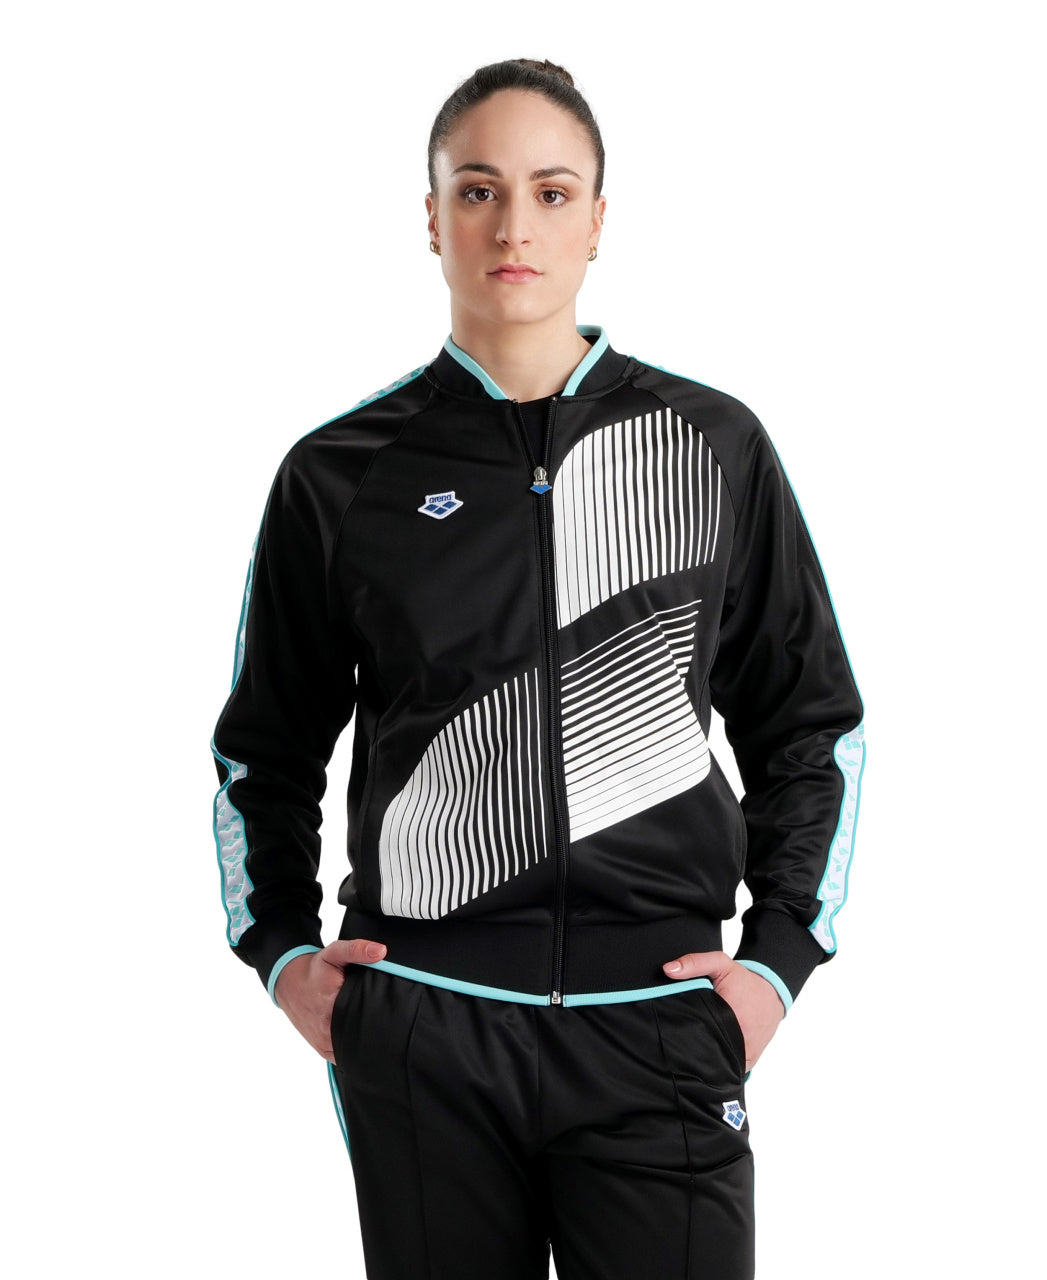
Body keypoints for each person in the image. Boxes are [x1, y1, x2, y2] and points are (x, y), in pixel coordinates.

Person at [210, 57, 865, 1280]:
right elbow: (263, 752)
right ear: (432, 217)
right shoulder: (341, 473)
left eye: (552, 192)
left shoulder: (712, 445)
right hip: (425, 1028)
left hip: (658, 1025)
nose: (514, 226)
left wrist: (776, 964)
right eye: (479, 190)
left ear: (599, 219)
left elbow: (811, 728)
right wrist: (286, 955)